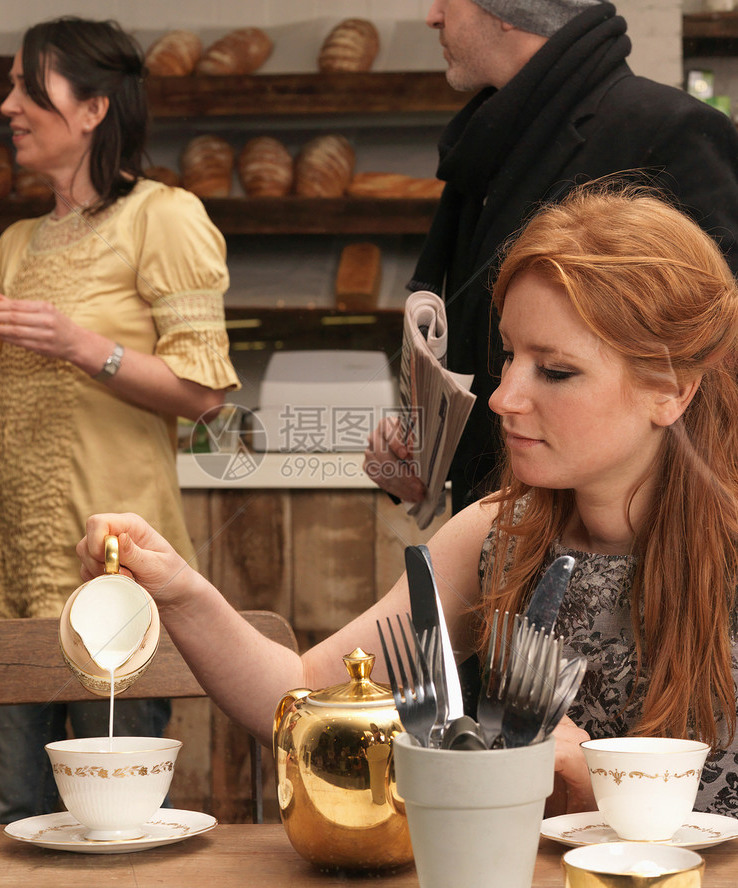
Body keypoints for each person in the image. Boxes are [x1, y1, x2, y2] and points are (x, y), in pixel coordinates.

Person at [77, 184, 738, 817]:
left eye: (556, 371)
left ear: (671, 389)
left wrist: (605, 781)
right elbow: (305, 701)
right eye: (508, 356)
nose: (504, 398)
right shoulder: (497, 535)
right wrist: (181, 591)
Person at [0, 16, 239, 824]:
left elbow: (205, 392)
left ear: (92, 108)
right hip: (3, 570)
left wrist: (81, 344)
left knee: (117, 822)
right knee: (7, 821)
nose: (9, 104)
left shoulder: (163, 216)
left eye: (28, 85)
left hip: (114, 575)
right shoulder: (16, 242)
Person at [363, 0, 738, 516]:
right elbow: (475, 339)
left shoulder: (666, 131)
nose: (432, 16)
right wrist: (422, 457)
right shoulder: (489, 138)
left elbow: (718, 360)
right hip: (496, 531)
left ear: (509, 10)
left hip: (635, 542)